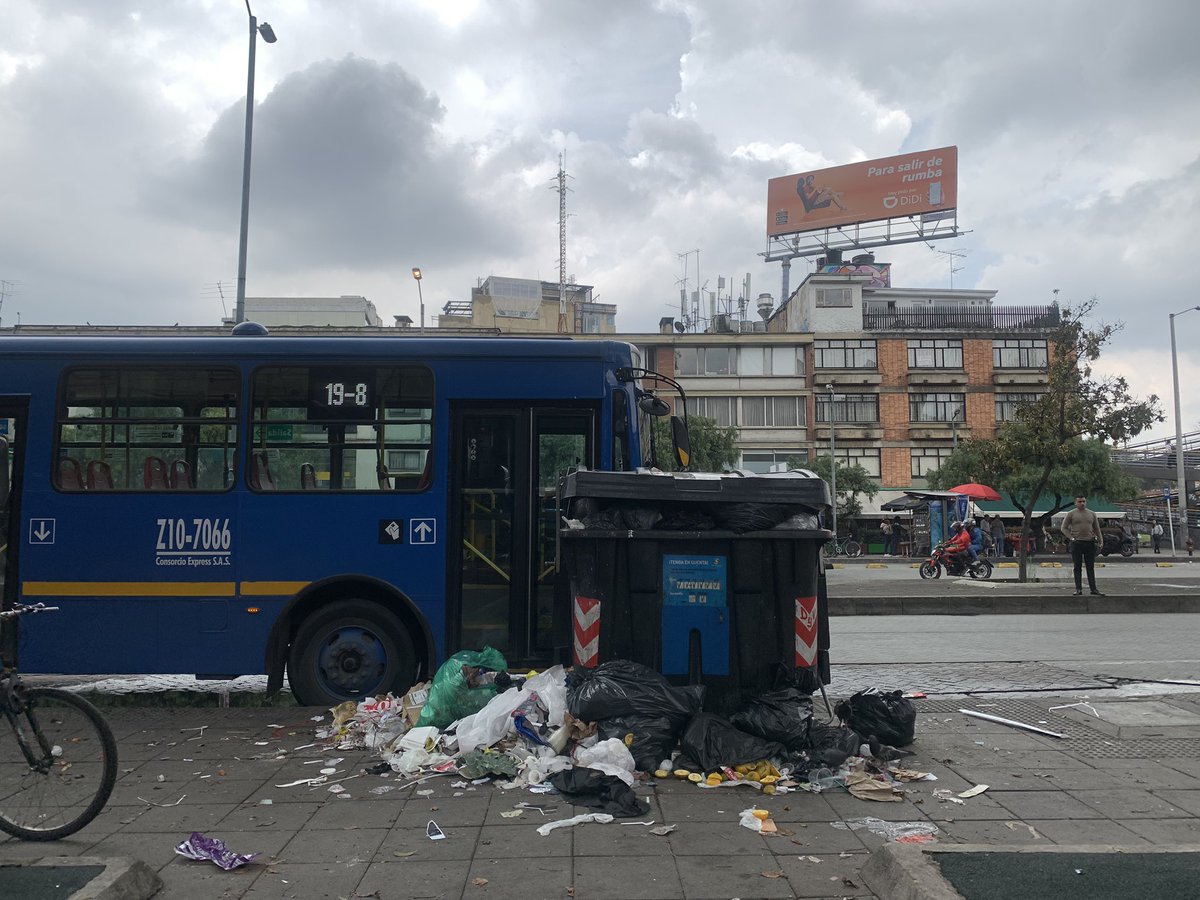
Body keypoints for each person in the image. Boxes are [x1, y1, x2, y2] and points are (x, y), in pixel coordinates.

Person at [1061, 496, 1104, 596]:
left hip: (1089, 542)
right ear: (1076, 503)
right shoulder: (1071, 514)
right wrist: (1071, 538)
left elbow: (1097, 529)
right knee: (1077, 566)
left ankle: (1093, 588)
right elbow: (1064, 528)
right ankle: (1078, 589)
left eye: (1084, 501)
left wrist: (1101, 541)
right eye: (1080, 501)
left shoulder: (1092, 514)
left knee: (1090, 566)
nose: (1082, 503)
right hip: (1077, 543)